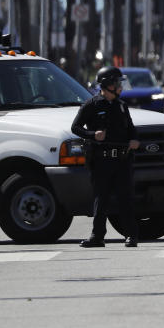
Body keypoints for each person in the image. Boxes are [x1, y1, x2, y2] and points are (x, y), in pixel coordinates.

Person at [71, 66, 140, 248]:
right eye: (117, 84)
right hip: (102, 161)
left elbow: (131, 129)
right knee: (101, 199)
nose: (120, 88)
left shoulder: (122, 106)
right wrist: (93, 135)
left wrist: (134, 140)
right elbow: (76, 128)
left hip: (122, 161)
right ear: (107, 85)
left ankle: (131, 235)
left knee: (126, 198)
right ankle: (97, 237)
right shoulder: (91, 105)